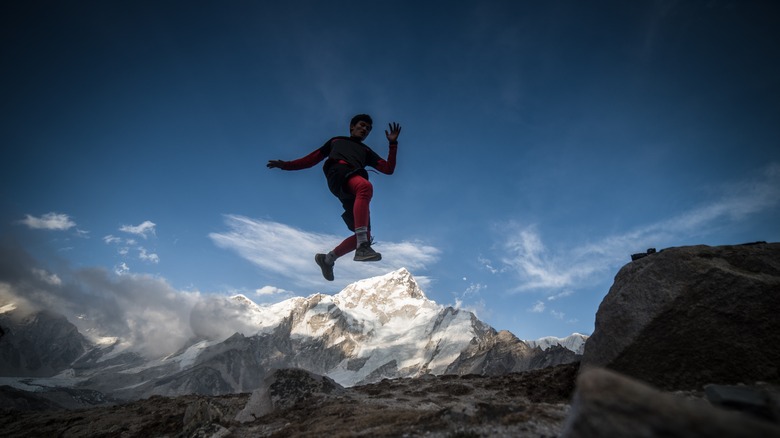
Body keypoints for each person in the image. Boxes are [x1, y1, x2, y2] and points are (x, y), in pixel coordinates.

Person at [267, 114, 401, 281]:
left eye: (368, 128)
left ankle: (328, 259)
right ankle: (363, 247)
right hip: (338, 173)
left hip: (353, 188)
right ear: (352, 127)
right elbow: (311, 159)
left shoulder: (366, 151)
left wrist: (393, 143)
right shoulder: (336, 141)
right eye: (361, 125)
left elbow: (388, 169)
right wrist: (286, 165)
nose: (364, 129)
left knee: (365, 234)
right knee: (365, 186)